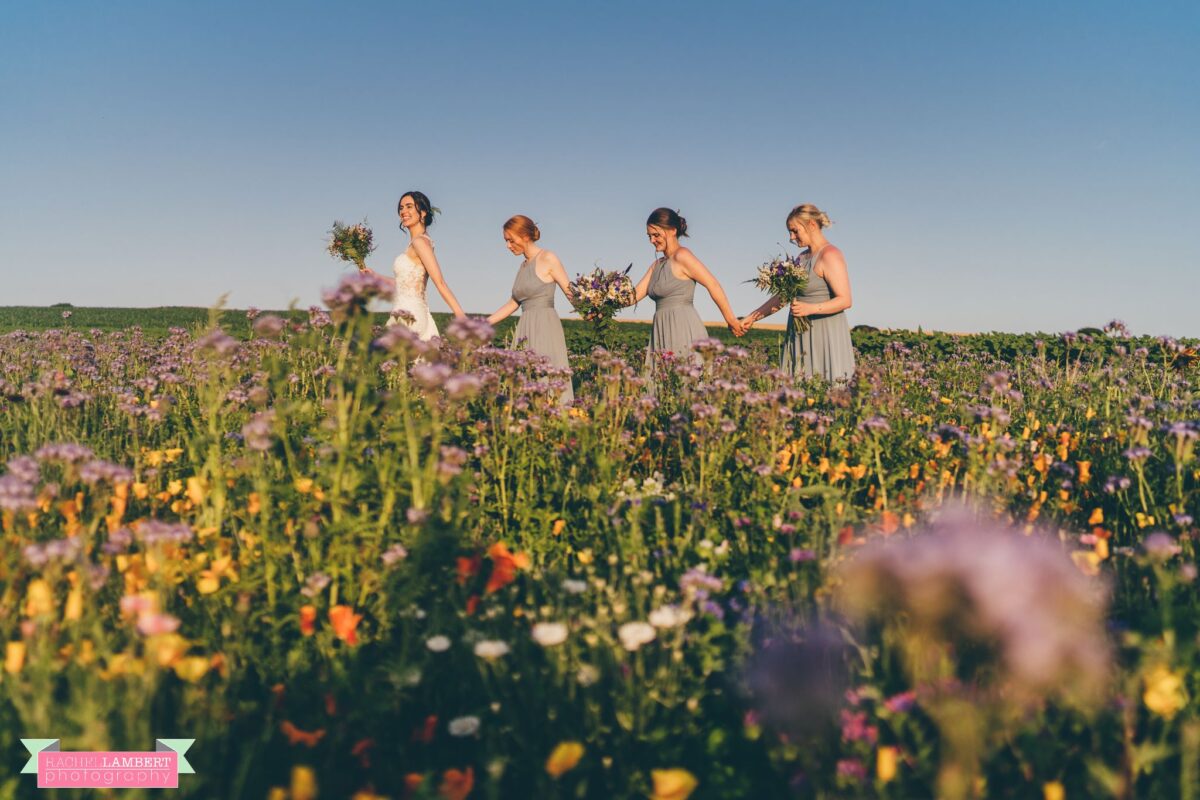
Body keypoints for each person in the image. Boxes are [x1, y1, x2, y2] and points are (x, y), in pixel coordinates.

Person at [740, 203, 855, 380]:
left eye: (794, 231)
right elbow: (783, 297)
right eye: (789, 232)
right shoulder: (801, 258)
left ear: (811, 225)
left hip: (825, 334)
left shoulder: (830, 255)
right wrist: (753, 317)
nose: (791, 237)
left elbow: (845, 300)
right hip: (798, 333)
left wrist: (810, 309)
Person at [632, 208, 743, 366]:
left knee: (685, 379)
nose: (652, 240)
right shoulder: (656, 265)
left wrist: (731, 319)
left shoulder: (682, 256)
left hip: (682, 327)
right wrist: (600, 302)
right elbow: (632, 296)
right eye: (649, 236)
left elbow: (713, 284)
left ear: (672, 231)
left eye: (656, 235)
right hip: (660, 328)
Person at [486, 215, 574, 403]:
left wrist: (594, 312)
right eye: (506, 241)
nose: (508, 245)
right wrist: (482, 324)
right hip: (524, 328)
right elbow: (512, 303)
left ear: (525, 236)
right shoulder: (523, 265)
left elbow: (570, 292)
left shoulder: (547, 257)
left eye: (511, 240)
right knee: (522, 382)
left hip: (545, 326)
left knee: (546, 377)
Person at [361, 190, 466, 340]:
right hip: (409, 310)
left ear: (423, 212)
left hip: (409, 314)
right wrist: (375, 277)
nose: (403, 211)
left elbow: (440, 282)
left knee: (385, 357)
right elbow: (405, 285)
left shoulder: (420, 242)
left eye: (409, 206)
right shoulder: (419, 242)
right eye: (401, 208)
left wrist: (460, 316)